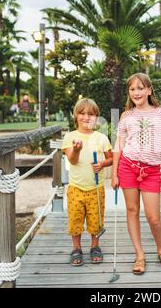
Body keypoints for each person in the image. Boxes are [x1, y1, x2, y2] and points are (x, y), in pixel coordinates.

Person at [111, 72, 161, 275]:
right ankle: (139, 255)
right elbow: (118, 146)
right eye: (132, 89)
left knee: (153, 217)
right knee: (132, 211)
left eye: (140, 88)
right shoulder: (126, 116)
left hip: (152, 170)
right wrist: (114, 173)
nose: (136, 92)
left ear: (149, 90)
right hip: (128, 167)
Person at [61, 98, 113, 266]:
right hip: (76, 187)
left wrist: (102, 164)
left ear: (96, 117)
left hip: (96, 188)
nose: (86, 117)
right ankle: (76, 248)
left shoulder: (102, 138)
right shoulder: (70, 137)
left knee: (95, 220)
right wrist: (76, 149)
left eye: (91, 114)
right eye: (82, 113)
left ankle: (94, 246)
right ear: (76, 116)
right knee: (75, 219)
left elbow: (111, 159)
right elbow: (73, 160)